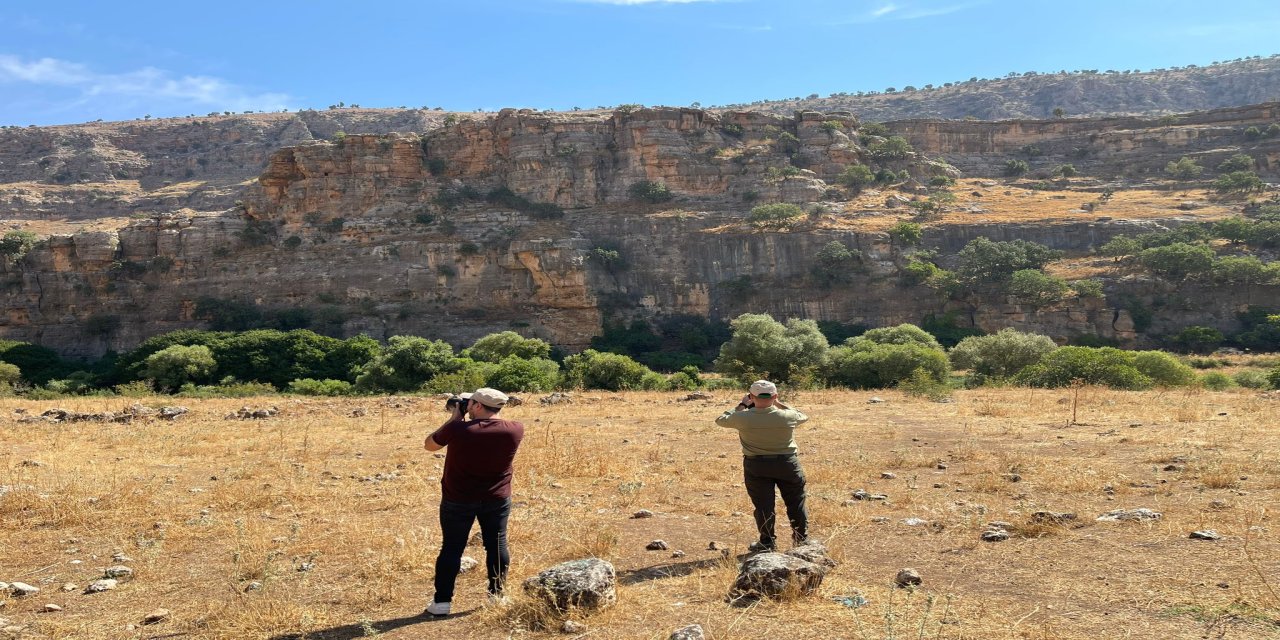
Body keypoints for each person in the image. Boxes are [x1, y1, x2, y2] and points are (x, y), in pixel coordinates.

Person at [423, 387, 524, 616]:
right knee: (497, 545)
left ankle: (442, 602)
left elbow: (429, 445)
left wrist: (454, 418)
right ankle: (496, 595)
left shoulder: (458, 430)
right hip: (496, 498)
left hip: (457, 498)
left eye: (471, 403)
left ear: (477, 406)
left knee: (451, 547)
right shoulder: (515, 429)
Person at [715, 379, 809, 552]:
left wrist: (742, 405)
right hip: (787, 464)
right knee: (796, 502)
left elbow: (721, 419)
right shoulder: (787, 416)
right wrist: (779, 404)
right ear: (775, 396)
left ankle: (767, 542)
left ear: (751, 396)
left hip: (756, 465)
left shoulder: (742, 417)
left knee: (763, 505)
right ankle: (801, 540)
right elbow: (802, 415)